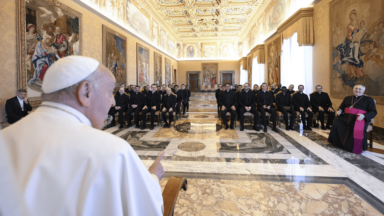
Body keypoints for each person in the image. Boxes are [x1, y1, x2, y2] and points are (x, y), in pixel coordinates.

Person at [0, 56, 165, 215]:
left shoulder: (4, 139)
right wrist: (154, 177)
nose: (113, 102)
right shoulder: (113, 151)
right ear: (85, 92)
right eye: (109, 93)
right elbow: (148, 208)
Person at [328, 84, 377, 154]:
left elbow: (373, 112)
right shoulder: (347, 98)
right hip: (346, 117)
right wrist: (340, 111)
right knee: (336, 123)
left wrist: (364, 115)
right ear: (353, 90)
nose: (357, 90)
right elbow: (341, 107)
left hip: (359, 118)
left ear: (363, 91)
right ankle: (338, 143)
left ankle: (351, 147)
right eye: (356, 88)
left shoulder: (369, 100)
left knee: (356, 128)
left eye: (360, 89)